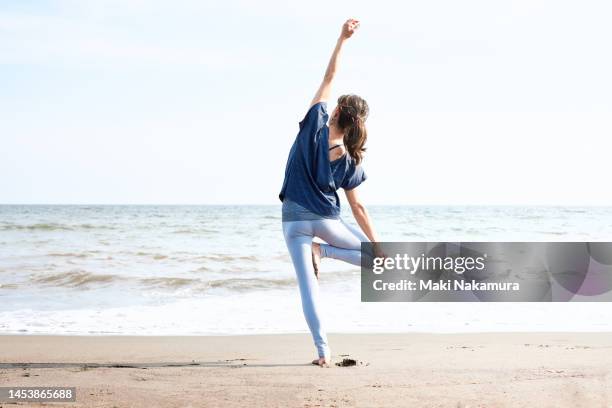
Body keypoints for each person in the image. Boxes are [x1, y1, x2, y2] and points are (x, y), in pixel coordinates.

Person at [279, 18, 382, 367]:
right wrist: (377, 244)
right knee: (373, 260)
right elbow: (359, 209)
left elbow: (328, 77)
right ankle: (325, 251)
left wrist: (342, 39)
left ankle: (323, 353)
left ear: (337, 111)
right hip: (326, 222)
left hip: (293, 220)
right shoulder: (351, 159)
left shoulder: (314, 122)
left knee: (308, 289)